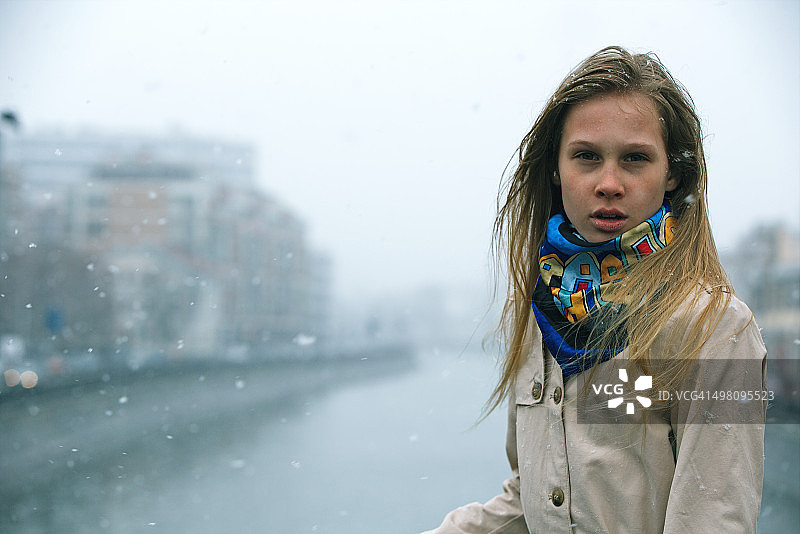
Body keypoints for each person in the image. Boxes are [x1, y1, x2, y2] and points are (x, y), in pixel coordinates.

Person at [423, 46, 767, 534]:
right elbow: (534, 498)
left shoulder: (716, 329)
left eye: (634, 159)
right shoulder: (540, 310)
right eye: (586, 156)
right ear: (555, 169)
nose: (609, 183)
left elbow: (714, 520)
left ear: (671, 174)